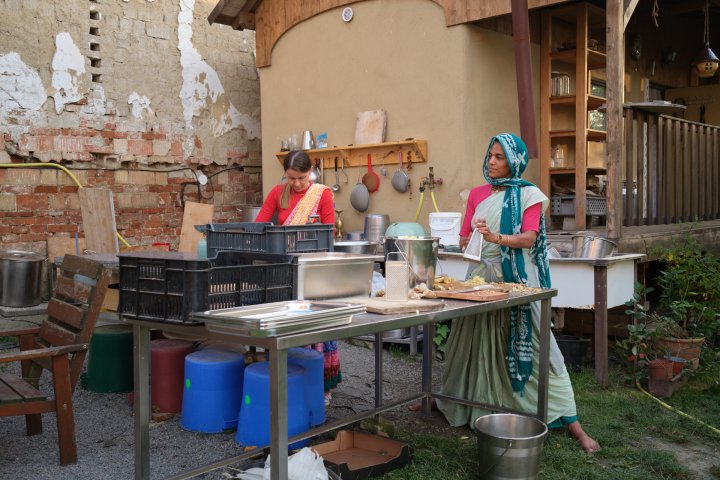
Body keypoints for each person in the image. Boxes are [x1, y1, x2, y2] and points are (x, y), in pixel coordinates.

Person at [435, 133, 600, 453]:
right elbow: (465, 236)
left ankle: (572, 422)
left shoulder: (528, 194)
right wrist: (471, 239)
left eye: (499, 157)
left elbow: (528, 238)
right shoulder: (478, 194)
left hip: (518, 281)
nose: (491, 162)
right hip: (480, 279)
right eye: (490, 155)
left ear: (515, 162)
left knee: (542, 349)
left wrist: (495, 238)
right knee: (470, 342)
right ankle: (456, 402)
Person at [255, 149, 340, 405]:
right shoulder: (277, 193)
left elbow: (329, 231)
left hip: (315, 270)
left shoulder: (321, 194)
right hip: (285, 270)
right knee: (289, 325)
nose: (297, 184)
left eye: (301, 178)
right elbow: (259, 225)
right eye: (291, 178)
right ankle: (287, 382)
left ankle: (321, 386)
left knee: (316, 327)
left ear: (310, 172)